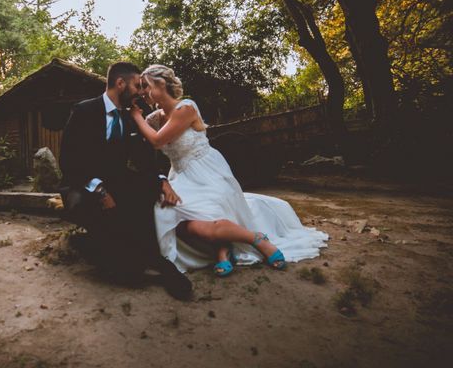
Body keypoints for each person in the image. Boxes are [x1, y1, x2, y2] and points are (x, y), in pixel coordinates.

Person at [131, 64, 328, 276]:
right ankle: (223, 246)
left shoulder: (186, 108)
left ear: (161, 84)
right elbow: (140, 141)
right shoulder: (154, 118)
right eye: (140, 87)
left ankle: (251, 241)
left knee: (211, 207)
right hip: (180, 176)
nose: (142, 92)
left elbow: (158, 141)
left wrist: (136, 116)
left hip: (206, 170)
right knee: (168, 214)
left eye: (146, 86)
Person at [58, 62, 193, 299]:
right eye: (138, 85)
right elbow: (69, 161)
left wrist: (162, 181)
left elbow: (143, 158)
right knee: (127, 273)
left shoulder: (131, 115)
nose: (142, 91)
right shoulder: (84, 111)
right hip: (82, 184)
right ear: (120, 84)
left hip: (115, 181)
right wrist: (99, 190)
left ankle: (154, 259)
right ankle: (92, 245)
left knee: (147, 189)